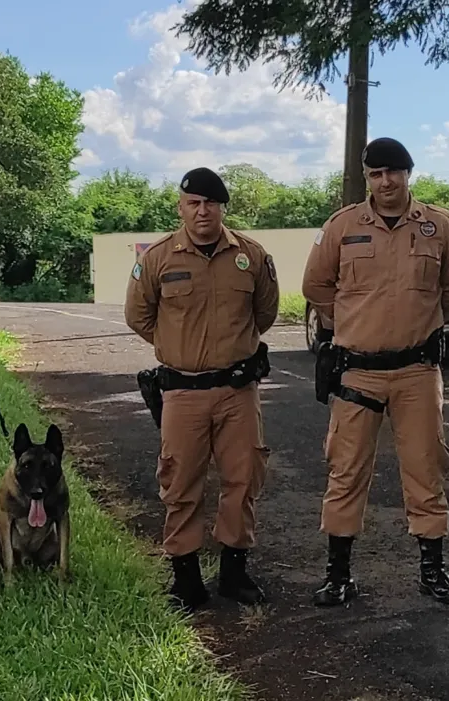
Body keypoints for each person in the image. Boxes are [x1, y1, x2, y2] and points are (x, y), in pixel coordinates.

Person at [301, 137, 449, 608]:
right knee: (346, 471)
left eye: (394, 172)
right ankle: (338, 575)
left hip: (417, 371)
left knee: (426, 470)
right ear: (366, 178)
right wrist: (352, 325)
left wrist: (419, 322)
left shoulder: (439, 226)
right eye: (376, 174)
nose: (385, 181)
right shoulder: (342, 226)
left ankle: (432, 571)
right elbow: (316, 285)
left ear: (408, 173)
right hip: (358, 372)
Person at [124, 167, 280, 612]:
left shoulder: (250, 255)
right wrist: (178, 346)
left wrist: (230, 348)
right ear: (181, 207)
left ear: (222, 207)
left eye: (211, 202)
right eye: (193, 203)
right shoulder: (158, 259)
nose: (203, 210)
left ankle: (234, 572)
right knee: (180, 481)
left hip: (238, 391)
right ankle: (186, 579)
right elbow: (139, 316)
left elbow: (264, 312)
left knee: (244, 478)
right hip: (183, 392)